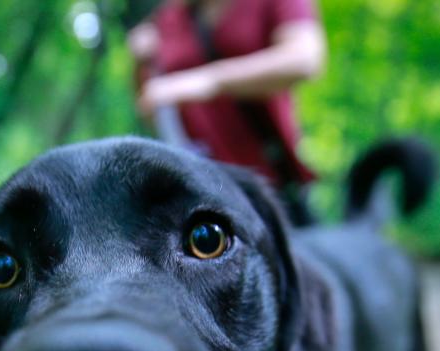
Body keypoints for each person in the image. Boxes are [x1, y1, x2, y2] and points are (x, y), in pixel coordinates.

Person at [128, 0, 326, 225]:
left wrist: (207, 80)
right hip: (200, 189)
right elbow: (150, 104)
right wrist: (141, 62)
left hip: (269, 186)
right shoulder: (170, 18)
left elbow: (305, 59)